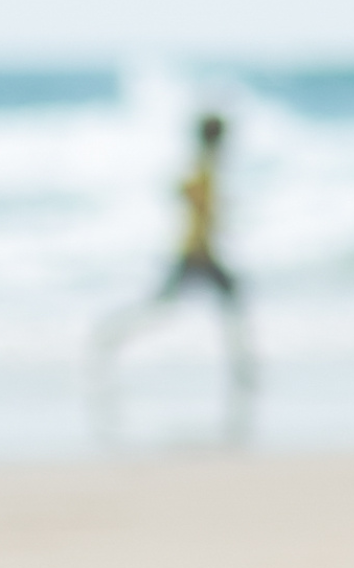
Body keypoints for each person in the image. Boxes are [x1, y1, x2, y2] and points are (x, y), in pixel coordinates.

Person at [91, 109, 254, 428]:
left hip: (200, 254)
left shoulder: (206, 167)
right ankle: (109, 339)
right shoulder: (205, 168)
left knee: (218, 306)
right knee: (167, 308)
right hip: (196, 255)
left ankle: (242, 370)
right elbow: (189, 196)